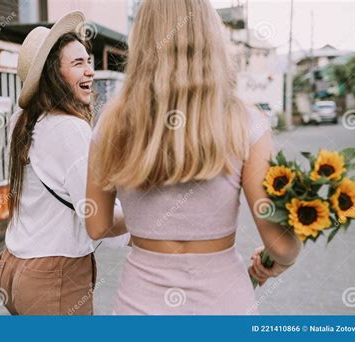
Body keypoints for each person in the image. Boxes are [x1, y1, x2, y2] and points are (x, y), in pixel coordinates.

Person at [85, 0, 301, 315]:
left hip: (139, 308)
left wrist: (144, 222)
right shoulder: (246, 122)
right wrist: (279, 261)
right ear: (210, 39)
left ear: (142, 40)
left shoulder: (111, 123)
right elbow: (280, 244)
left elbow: (97, 226)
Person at [0, 11, 128, 316]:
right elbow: (98, 220)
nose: (90, 72)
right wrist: (146, 216)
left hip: (13, 267)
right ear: (53, 74)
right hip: (53, 278)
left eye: (89, 61)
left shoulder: (22, 121)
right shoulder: (69, 129)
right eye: (78, 63)